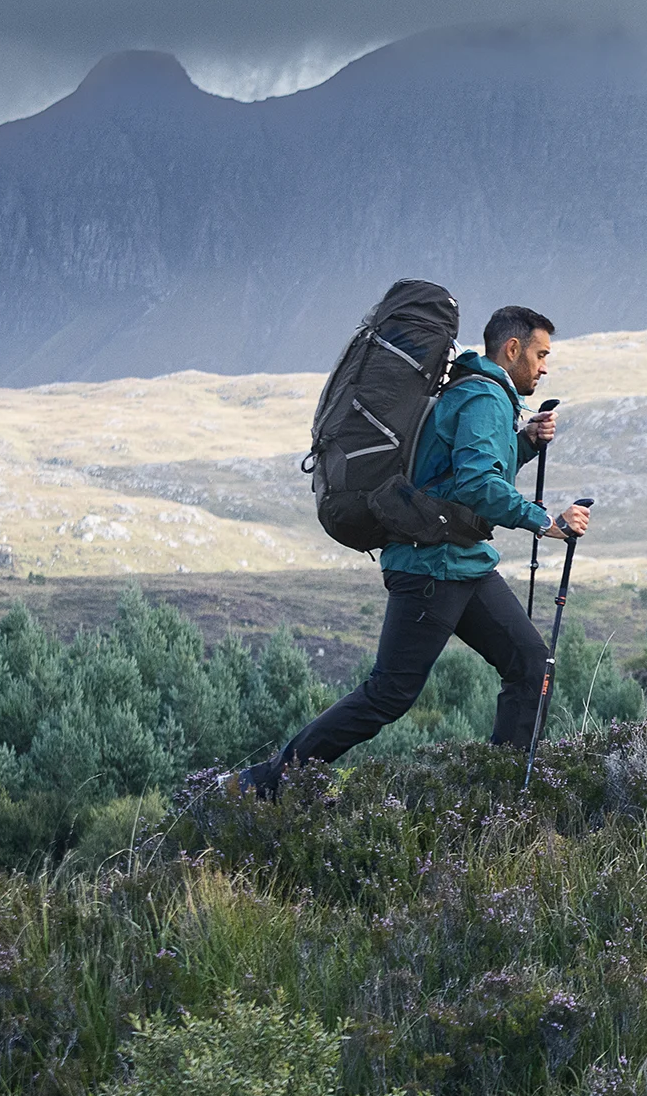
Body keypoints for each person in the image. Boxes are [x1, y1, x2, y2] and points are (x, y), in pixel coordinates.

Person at [238, 305, 590, 796]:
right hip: (432, 568)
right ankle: (265, 783)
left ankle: (502, 794)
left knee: (531, 663)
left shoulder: (473, 391)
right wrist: (546, 523)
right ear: (513, 349)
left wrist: (525, 443)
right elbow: (476, 484)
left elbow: (455, 472)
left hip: (464, 562)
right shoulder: (484, 397)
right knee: (389, 693)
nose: (545, 367)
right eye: (541, 354)